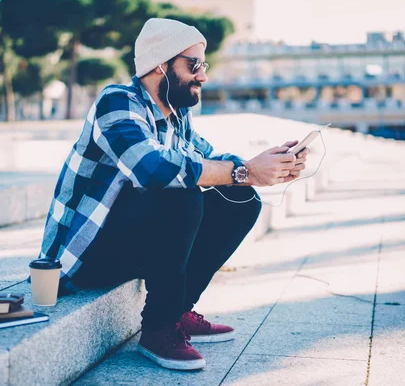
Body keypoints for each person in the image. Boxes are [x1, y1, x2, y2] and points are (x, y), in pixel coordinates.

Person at [37, 18, 310, 371]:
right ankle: (158, 328)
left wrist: (268, 164)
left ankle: (178, 311)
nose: (203, 76)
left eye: (203, 65)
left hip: (130, 244)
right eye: (193, 65)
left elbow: (211, 160)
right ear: (160, 65)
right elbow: (152, 169)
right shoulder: (117, 102)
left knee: (240, 199)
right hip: (85, 257)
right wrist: (245, 171)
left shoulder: (177, 116)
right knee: (180, 190)